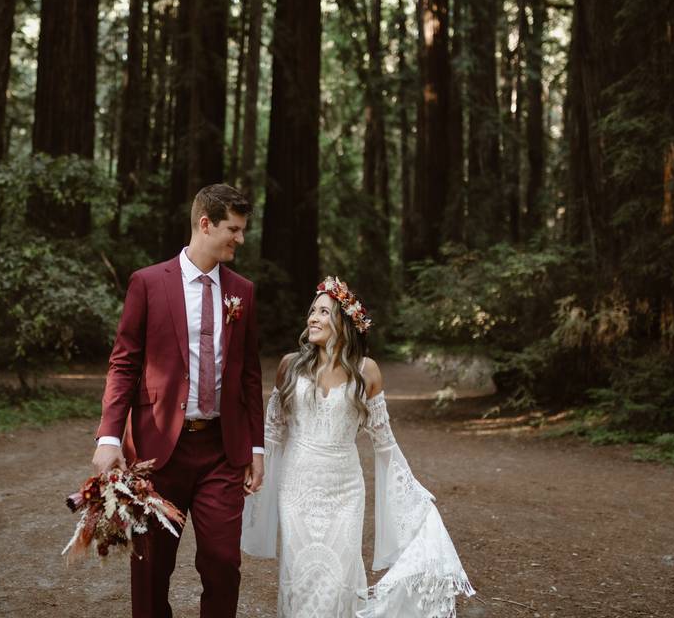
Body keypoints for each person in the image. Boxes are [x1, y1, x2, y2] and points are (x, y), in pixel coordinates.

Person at [241, 277, 474, 617]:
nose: (313, 318)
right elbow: (272, 431)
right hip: (297, 488)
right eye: (312, 311)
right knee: (300, 574)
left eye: (324, 311)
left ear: (344, 322)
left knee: (338, 578)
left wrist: (413, 493)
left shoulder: (367, 372)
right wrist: (256, 470)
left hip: (345, 491)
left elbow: (384, 442)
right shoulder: (290, 366)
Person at [92, 183, 264, 618]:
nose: (240, 239)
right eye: (234, 229)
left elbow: (249, 374)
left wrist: (256, 447)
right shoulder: (148, 283)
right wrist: (109, 436)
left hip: (221, 450)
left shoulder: (242, 290)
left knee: (223, 562)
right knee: (151, 567)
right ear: (205, 224)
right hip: (157, 452)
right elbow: (124, 364)